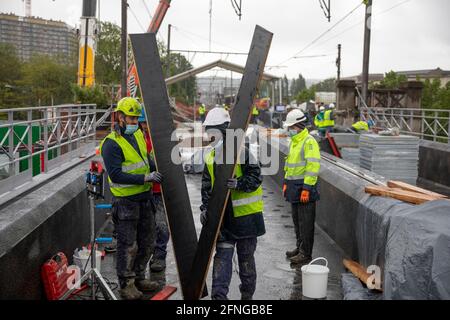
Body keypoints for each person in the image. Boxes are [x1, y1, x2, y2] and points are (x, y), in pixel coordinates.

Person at [99, 97, 163, 300]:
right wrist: (145, 177)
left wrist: (156, 168)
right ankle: (126, 285)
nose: (135, 122)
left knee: (148, 240)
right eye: (131, 118)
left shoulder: (137, 136)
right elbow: (116, 174)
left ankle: (139, 277)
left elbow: (145, 160)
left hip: (145, 198)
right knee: (128, 245)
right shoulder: (111, 144)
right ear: (119, 117)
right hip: (126, 202)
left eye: (136, 118)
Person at [200, 107, 265, 300]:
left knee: (245, 262)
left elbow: (256, 177)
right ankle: (219, 299)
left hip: (246, 220)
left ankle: (247, 297)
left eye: (212, 131)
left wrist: (239, 184)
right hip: (224, 220)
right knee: (222, 260)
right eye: (208, 131)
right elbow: (206, 187)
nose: (209, 136)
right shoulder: (210, 156)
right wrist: (204, 208)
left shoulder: (242, 153)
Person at [282, 109, 321, 265]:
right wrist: (286, 183)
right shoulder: (295, 142)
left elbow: (313, 166)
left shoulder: (309, 141)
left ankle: (305, 253)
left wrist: (306, 188)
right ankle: (299, 248)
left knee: (306, 223)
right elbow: (289, 165)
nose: (289, 130)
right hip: (293, 186)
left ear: (299, 126)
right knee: (297, 221)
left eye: (291, 127)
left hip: (304, 188)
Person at [137, 109, 169, 272]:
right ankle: (141, 262)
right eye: (143, 123)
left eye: (147, 123)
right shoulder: (136, 139)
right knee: (143, 228)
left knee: (161, 226)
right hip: (142, 190)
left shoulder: (162, 140)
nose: (145, 126)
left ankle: (159, 257)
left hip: (158, 191)